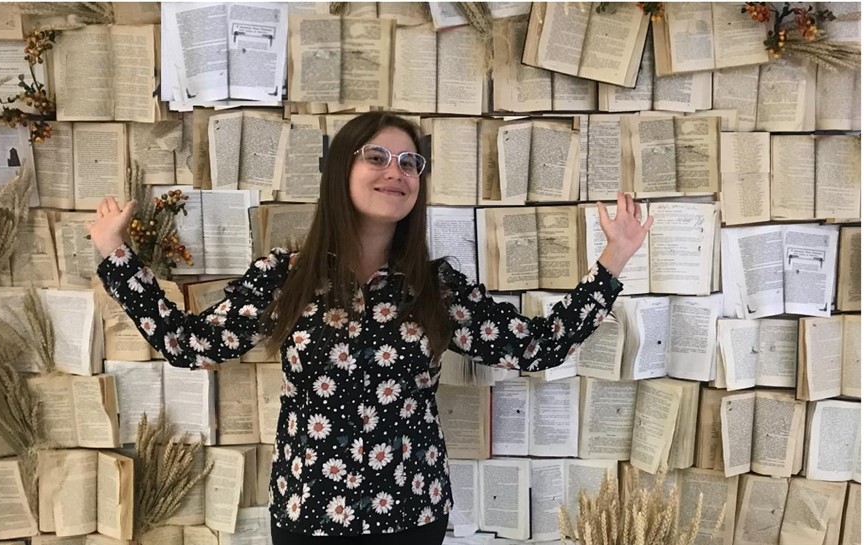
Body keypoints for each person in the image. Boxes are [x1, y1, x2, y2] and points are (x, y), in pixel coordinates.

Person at [89, 112, 652, 545]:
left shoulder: (436, 287)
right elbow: (190, 344)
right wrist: (116, 255)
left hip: (410, 513)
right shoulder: (286, 277)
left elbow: (536, 348)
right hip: (309, 514)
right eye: (377, 157)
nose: (395, 172)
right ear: (343, 170)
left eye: (409, 163)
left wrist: (613, 260)